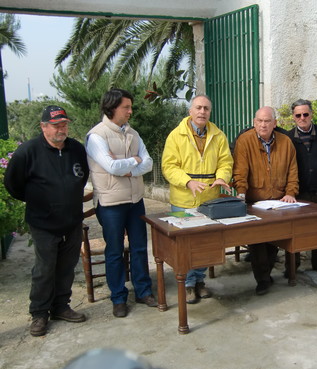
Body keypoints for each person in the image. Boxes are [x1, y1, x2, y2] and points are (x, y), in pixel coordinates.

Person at [4, 105, 89, 337]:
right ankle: (39, 313)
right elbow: (13, 184)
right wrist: (40, 201)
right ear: (43, 127)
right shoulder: (28, 152)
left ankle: (61, 306)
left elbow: (82, 178)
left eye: (64, 124)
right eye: (55, 125)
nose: (61, 129)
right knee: (44, 268)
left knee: (67, 266)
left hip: (71, 220)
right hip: (43, 223)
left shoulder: (76, 149)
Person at [86, 88, 157, 318]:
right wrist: (133, 163)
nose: (130, 111)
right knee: (114, 251)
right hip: (110, 203)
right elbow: (111, 167)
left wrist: (128, 165)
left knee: (139, 247)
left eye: (130, 106)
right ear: (112, 107)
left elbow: (148, 163)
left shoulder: (133, 134)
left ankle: (143, 290)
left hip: (135, 200)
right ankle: (118, 297)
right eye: (126, 107)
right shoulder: (96, 135)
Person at [161, 94, 233, 304]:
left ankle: (199, 280)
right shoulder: (176, 136)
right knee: (185, 244)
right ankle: (188, 285)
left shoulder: (218, 136)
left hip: (209, 199)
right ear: (190, 111)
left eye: (206, 109)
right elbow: (169, 166)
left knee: (205, 244)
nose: (202, 112)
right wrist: (188, 182)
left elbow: (226, 162)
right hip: (183, 199)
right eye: (199, 108)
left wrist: (221, 177)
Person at [233, 106, 299, 295]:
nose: (263, 125)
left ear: (274, 123)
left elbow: (293, 171)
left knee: (274, 241)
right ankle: (262, 279)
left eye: (267, 121)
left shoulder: (286, 142)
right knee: (257, 242)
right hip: (255, 201)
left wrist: (291, 192)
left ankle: (266, 273)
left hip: (279, 202)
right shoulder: (244, 141)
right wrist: (241, 194)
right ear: (254, 123)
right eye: (260, 121)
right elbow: (240, 171)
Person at [285, 99, 317, 276]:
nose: (302, 118)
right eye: (298, 115)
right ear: (293, 117)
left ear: (311, 114)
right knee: (296, 230)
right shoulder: (288, 137)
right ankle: (293, 265)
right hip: (299, 192)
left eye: (305, 114)